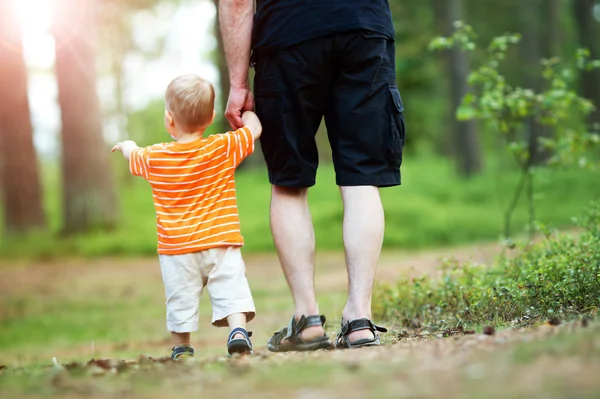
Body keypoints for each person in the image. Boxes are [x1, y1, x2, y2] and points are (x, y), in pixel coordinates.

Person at [219, 0, 405, 351]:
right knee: (362, 178)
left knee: (289, 182)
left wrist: (238, 82)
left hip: (289, 33)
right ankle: (359, 320)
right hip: (363, 26)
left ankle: (307, 320)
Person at [111, 74, 262, 359]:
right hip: (220, 240)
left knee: (180, 298)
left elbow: (134, 155)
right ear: (212, 116)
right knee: (232, 287)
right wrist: (247, 110)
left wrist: (126, 144)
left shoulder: (156, 158)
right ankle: (238, 331)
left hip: (177, 248)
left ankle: (182, 347)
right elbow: (254, 129)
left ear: (169, 120)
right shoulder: (222, 148)